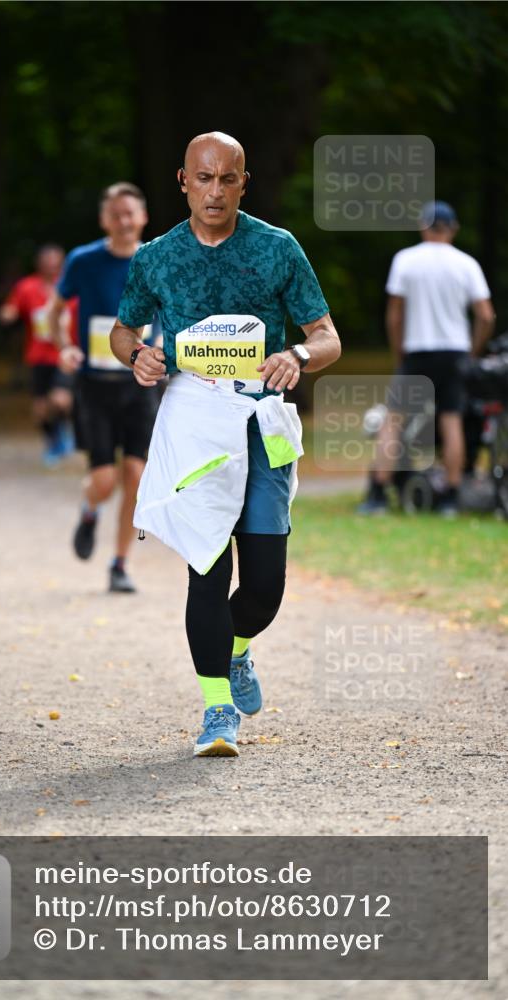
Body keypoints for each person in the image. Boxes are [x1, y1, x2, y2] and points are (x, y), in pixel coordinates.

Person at [109, 132, 341, 757]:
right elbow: (123, 329)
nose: (215, 190)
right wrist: (138, 357)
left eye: (227, 179)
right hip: (193, 422)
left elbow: (326, 336)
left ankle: (237, 648)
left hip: (260, 422)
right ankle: (217, 712)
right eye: (203, 178)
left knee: (263, 586)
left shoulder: (277, 248)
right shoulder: (157, 257)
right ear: (182, 181)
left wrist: (297, 353)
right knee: (207, 568)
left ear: (244, 181)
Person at [50, 182, 159, 593]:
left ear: (143, 217)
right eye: (116, 214)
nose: (124, 221)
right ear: (104, 219)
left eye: (130, 213)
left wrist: (163, 345)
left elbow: (170, 313)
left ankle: (119, 563)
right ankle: (89, 508)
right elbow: (56, 311)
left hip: (140, 384)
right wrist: (64, 347)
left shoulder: (155, 259)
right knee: (104, 480)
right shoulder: (83, 261)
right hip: (94, 385)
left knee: (135, 474)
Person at [359, 201, 495, 517]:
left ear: (423, 226)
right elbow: (486, 316)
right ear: (453, 228)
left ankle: (378, 495)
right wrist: (472, 352)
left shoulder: (406, 260)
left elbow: (394, 315)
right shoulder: (466, 264)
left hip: (417, 351)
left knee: (393, 420)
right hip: (455, 352)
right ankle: (450, 496)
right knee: (451, 422)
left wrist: (399, 352)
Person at [0, 244, 75, 467]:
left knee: (61, 400)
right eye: (47, 263)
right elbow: (12, 308)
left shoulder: (70, 285)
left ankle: (65, 431)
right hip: (38, 356)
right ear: (39, 265)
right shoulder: (27, 287)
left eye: (55, 263)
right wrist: (7, 314)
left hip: (64, 354)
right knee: (40, 409)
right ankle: (53, 441)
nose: (51, 267)